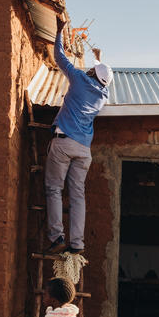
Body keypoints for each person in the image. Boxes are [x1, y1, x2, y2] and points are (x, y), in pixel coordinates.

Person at [45, 15, 113, 255]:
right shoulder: (103, 95)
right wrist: (99, 59)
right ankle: (77, 243)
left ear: (92, 74)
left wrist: (59, 31)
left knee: (54, 189)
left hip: (63, 143)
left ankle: (57, 237)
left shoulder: (80, 79)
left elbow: (60, 57)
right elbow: (104, 78)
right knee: (77, 196)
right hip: (84, 150)